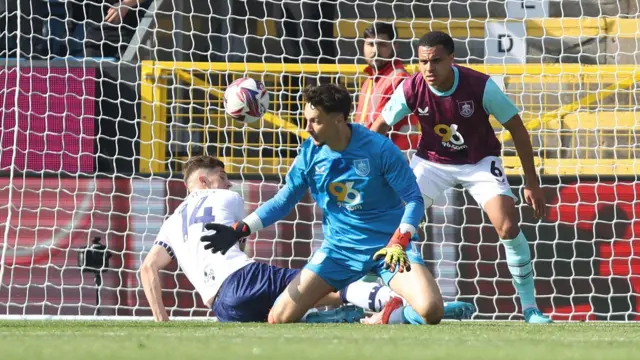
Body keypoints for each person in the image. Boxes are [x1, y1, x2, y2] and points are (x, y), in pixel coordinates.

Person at [200, 83, 474, 325]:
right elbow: (284, 201)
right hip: (338, 252)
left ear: (339, 120)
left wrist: (399, 241)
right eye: (305, 120)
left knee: (432, 311)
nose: (307, 129)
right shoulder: (309, 154)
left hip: (389, 249)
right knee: (279, 317)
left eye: (315, 121)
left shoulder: (380, 149)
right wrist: (241, 228)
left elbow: (413, 199)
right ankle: (330, 317)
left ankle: (397, 315)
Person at [369, 31, 552, 324]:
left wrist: (532, 182)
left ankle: (530, 308)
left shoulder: (480, 86)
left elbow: (518, 128)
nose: (428, 69)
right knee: (395, 225)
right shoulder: (411, 87)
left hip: (478, 161)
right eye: (422, 62)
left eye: (436, 61)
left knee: (506, 226)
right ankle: (388, 301)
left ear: (451, 59)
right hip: (431, 162)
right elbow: (377, 127)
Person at [141, 155, 411, 323]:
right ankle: (395, 301)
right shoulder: (227, 197)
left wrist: (161, 320)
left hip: (222, 308)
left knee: (285, 310)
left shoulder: (171, 222)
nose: (228, 183)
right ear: (202, 180)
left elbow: (148, 268)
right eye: (222, 177)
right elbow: (237, 242)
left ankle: (336, 317)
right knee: (315, 283)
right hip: (242, 278)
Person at [354, 23, 419, 153]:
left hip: (394, 159)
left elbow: (378, 125)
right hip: (374, 154)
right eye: (370, 44)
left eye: (382, 45)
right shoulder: (369, 81)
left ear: (394, 47)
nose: (375, 51)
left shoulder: (399, 79)